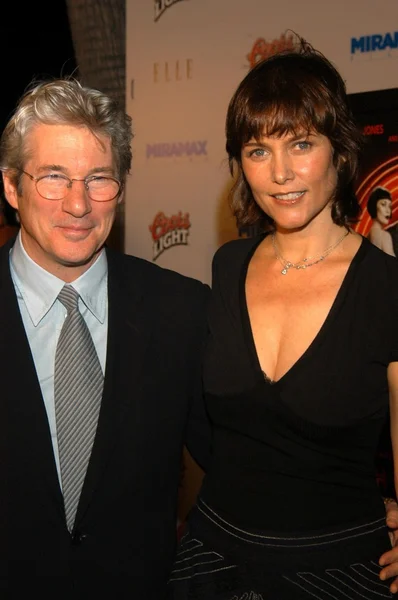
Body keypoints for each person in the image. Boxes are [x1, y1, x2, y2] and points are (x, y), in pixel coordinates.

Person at [168, 37, 398, 599]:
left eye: (300, 143)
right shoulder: (228, 265)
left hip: (338, 568)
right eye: (257, 150)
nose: (280, 173)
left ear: (340, 151)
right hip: (210, 559)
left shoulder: (386, 288)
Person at [0, 77, 211, 599]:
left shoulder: (182, 310)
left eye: (99, 179)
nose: (79, 204)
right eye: (53, 177)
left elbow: (242, 461)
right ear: (11, 186)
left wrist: (365, 515)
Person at [367, 186, 395, 256]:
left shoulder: (368, 235)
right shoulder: (384, 235)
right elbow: (392, 265)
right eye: (383, 204)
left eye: (389, 206)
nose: (388, 211)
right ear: (374, 206)